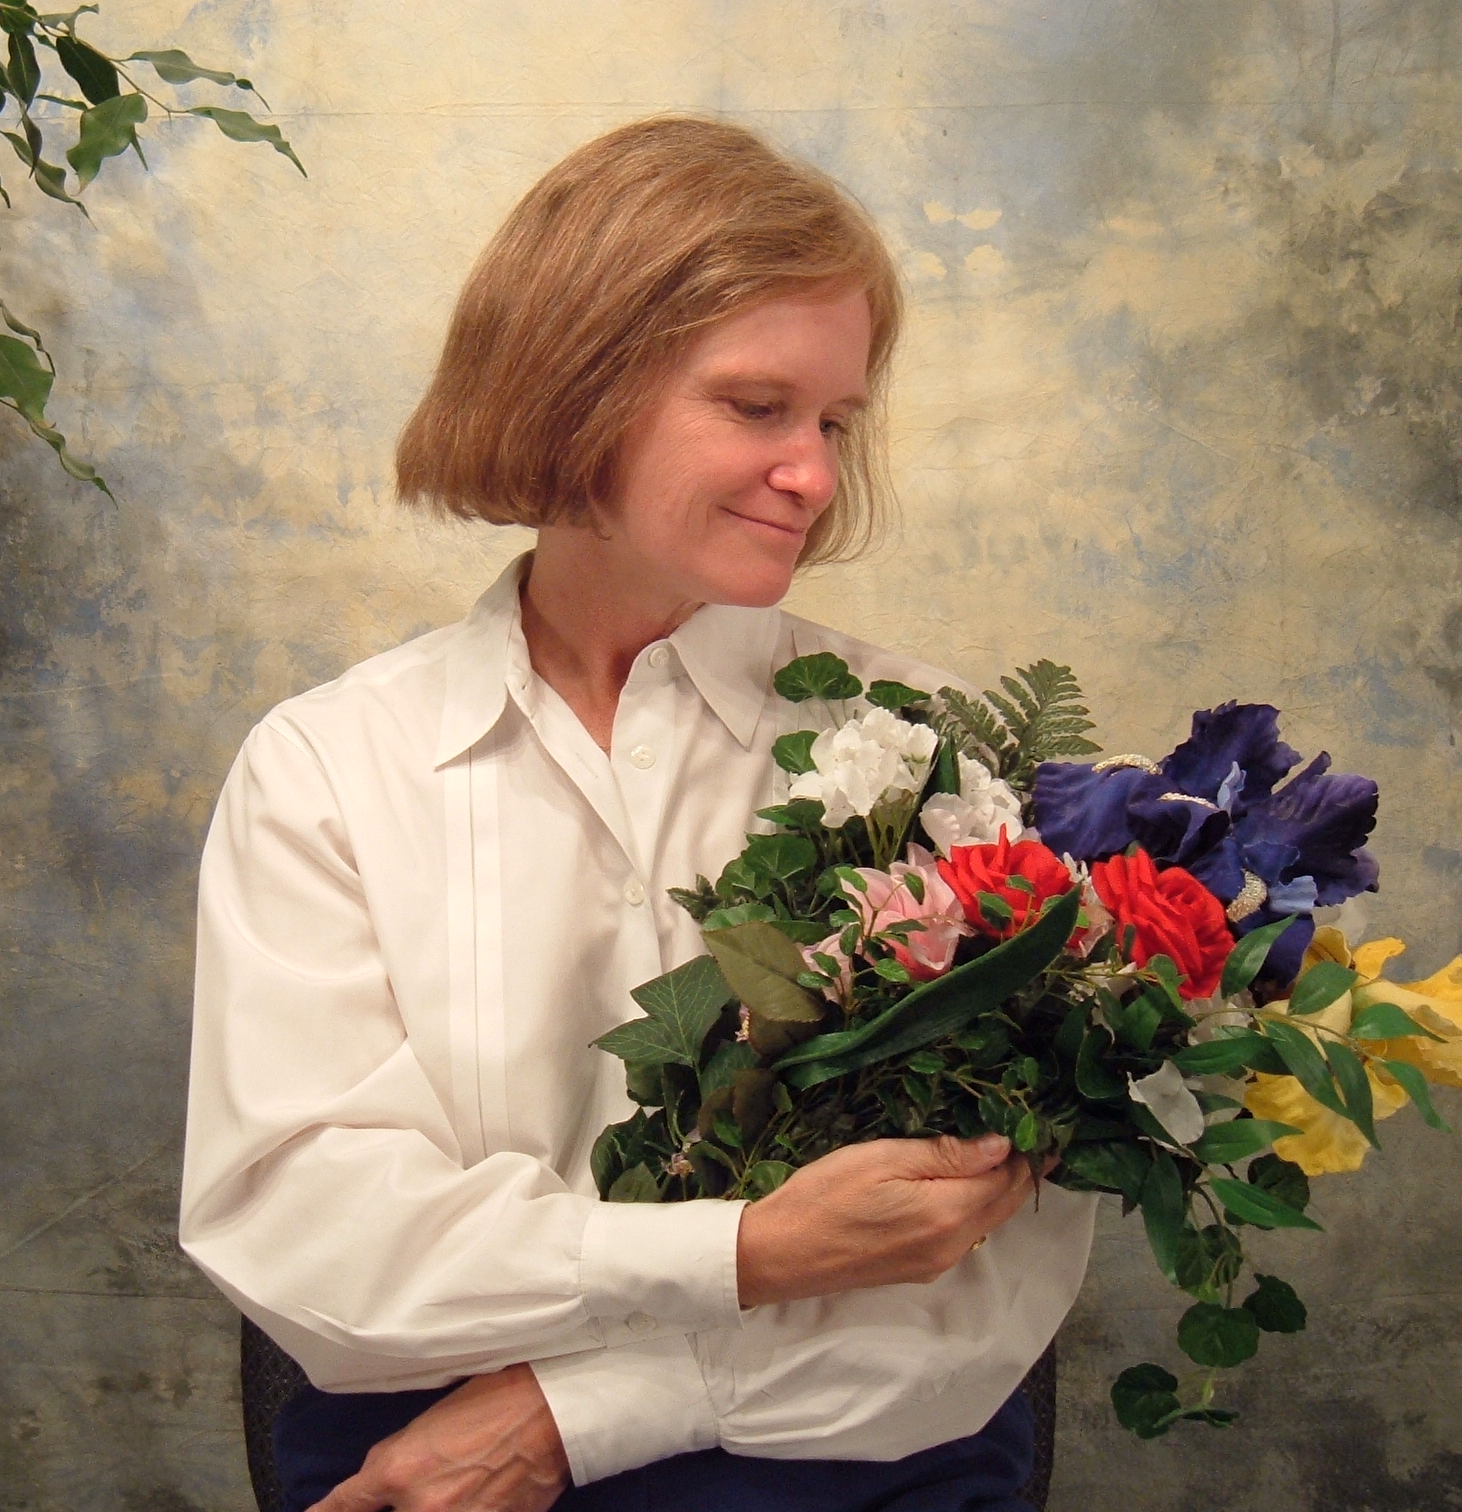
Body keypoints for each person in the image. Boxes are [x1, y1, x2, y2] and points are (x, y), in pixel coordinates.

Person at [179, 116, 1099, 1512]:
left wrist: (575, 1412)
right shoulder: (327, 769)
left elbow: (980, 1268)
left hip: (848, 1466)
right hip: (424, 1471)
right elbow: (310, 1233)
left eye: (834, 422)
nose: (816, 474)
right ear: (574, 386)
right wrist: (750, 1254)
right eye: (757, 406)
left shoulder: (930, 754)